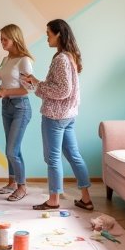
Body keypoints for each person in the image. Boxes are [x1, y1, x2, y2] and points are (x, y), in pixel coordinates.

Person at [21, 19, 94, 211]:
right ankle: (86, 199)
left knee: (52, 158)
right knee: (74, 155)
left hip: (55, 115)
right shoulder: (70, 57)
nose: (47, 37)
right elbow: (63, 88)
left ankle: (53, 200)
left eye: (48, 33)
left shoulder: (61, 58)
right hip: (68, 115)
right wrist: (37, 82)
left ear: (58, 34)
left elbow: (63, 91)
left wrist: (38, 84)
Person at [0, 24, 33, 202]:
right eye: (0, 39)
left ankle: (22, 187)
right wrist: (2, 89)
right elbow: (7, 82)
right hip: (6, 106)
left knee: (11, 151)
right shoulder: (6, 59)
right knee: (12, 148)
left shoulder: (24, 60)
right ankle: (12, 183)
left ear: (14, 38)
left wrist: (6, 92)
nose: (2, 42)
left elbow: (27, 89)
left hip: (20, 107)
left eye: (5, 39)